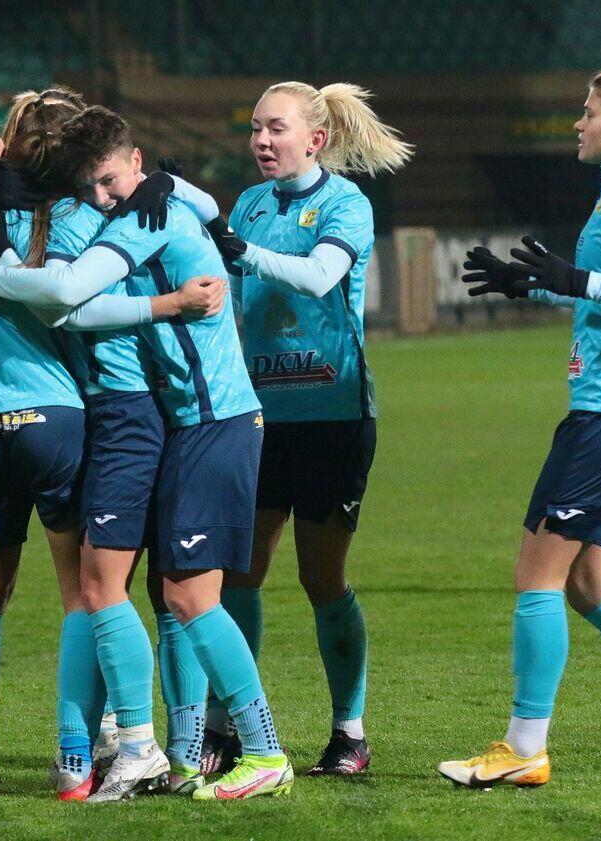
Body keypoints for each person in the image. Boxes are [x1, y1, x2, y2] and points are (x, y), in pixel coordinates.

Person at [0, 105, 293, 802]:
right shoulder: (139, 205)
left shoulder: (147, 216)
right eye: (92, 186)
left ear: (138, 162)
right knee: (171, 596)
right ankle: (186, 755)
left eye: (110, 181)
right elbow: (73, 295)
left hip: (215, 419)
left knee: (180, 594)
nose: (103, 197)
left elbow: (68, 297)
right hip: (184, 421)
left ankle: (259, 749)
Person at [122, 81, 412, 777]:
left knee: (321, 578)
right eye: (255, 128)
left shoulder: (345, 203)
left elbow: (319, 276)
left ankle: (349, 732)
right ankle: (224, 727)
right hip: (256, 419)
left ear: (315, 139)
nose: (261, 140)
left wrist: (241, 250)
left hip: (334, 417)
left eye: (275, 128)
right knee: (238, 576)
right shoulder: (250, 204)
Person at [439, 68, 601, 790]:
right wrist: (538, 283)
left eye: (588, 112)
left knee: (538, 576)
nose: (577, 123)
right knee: (591, 584)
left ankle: (525, 746)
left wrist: (577, 279)